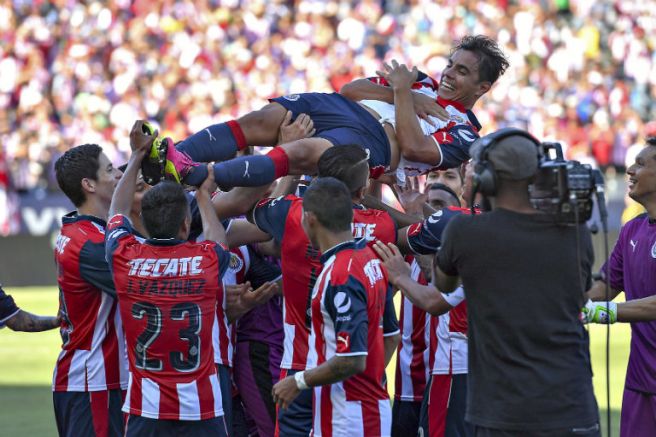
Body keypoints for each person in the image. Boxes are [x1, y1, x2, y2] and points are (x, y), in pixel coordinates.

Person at [145, 35, 508, 190]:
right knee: (261, 120)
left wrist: (400, 92)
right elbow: (351, 89)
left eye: (463, 72)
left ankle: (197, 175)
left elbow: (414, 149)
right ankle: (171, 159)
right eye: (451, 64)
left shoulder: (464, 133)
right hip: (343, 108)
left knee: (301, 152)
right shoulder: (422, 82)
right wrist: (410, 97)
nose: (448, 74)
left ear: (482, 88)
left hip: (373, 143)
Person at [430, 129, 599, 436]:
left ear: (486, 179)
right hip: (573, 406)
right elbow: (580, 291)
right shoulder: (576, 232)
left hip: (503, 413)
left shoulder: (465, 232)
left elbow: (444, 283)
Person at [246, 144, 400, 436]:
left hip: (334, 394)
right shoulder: (371, 256)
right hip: (357, 396)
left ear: (310, 218)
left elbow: (352, 358)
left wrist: (288, 155)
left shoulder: (339, 274)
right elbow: (390, 334)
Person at [104, 121, 232, 436]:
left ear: (142, 220)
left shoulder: (125, 256)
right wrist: (203, 195)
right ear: (187, 224)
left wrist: (135, 157)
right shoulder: (205, 261)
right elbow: (220, 243)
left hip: (145, 410)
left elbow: (115, 213)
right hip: (202, 409)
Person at [52, 143, 128, 437]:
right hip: (94, 380)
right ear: (89, 185)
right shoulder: (89, 243)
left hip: (91, 378)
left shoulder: (80, 232)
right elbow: (137, 285)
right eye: (110, 169)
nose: (119, 174)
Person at [586, 136, 656, 437]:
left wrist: (603, 313)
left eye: (640, 164)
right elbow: (601, 290)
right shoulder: (632, 229)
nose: (629, 169)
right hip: (640, 382)